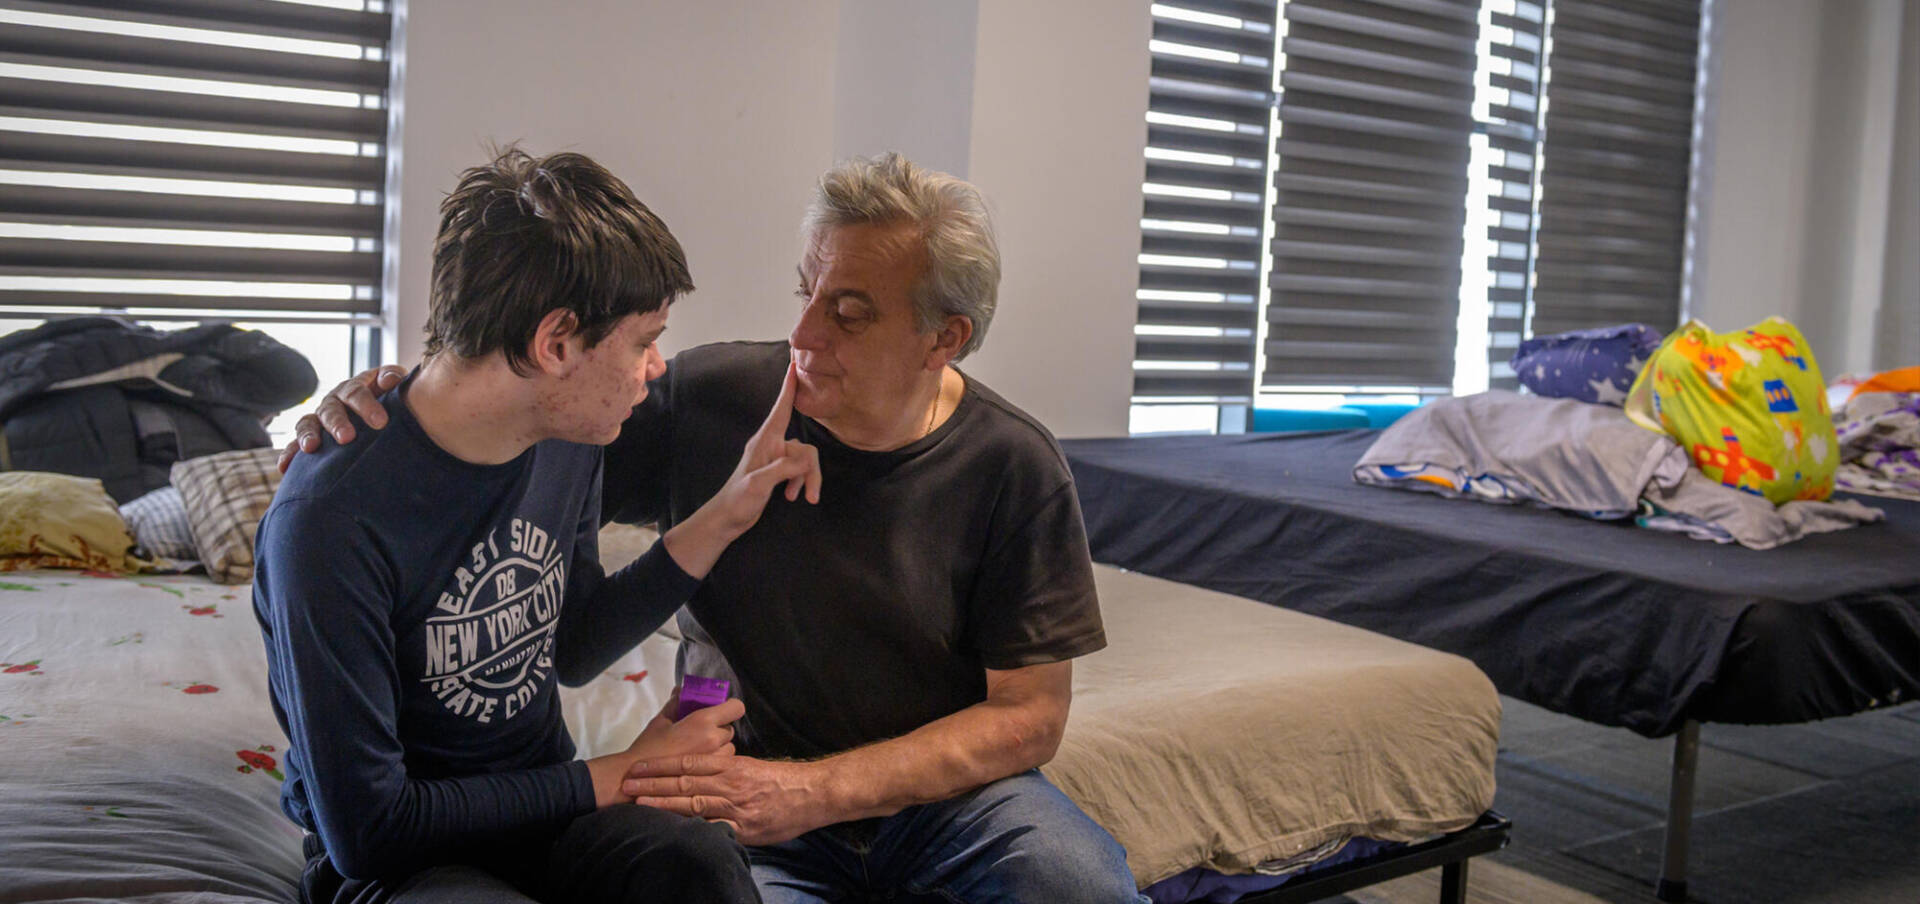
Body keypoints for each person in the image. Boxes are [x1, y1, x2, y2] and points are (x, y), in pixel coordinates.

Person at [286, 153, 1147, 903]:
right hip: (729, 776)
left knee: (1075, 884)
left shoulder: (1015, 465)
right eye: (806, 292)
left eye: (849, 312)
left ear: (943, 338)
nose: (801, 333)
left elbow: (1031, 718)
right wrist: (389, 398)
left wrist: (813, 791)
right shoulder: (694, 402)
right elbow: (506, 396)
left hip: (940, 802)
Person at [255, 148, 822, 904]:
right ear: (556, 344)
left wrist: (724, 515)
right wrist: (616, 774)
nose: (656, 367)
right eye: (643, 340)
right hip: (408, 862)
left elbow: (574, 644)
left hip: (545, 819)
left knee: (699, 863)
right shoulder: (328, 521)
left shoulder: (568, 436)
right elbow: (369, 830)